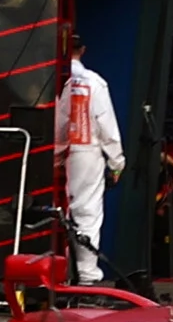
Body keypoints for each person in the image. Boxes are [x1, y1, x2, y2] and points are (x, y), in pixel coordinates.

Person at [50, 43, 125, 285]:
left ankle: (67, 269)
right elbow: (107, 125)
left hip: (71, 151)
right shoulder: (94, 82)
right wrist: (116, 162)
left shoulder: (60, 80)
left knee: (67, 212)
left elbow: (61, 122)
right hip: (89, 152)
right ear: (83, 50)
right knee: (88, 213)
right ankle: (86, 274)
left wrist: (57, 155)